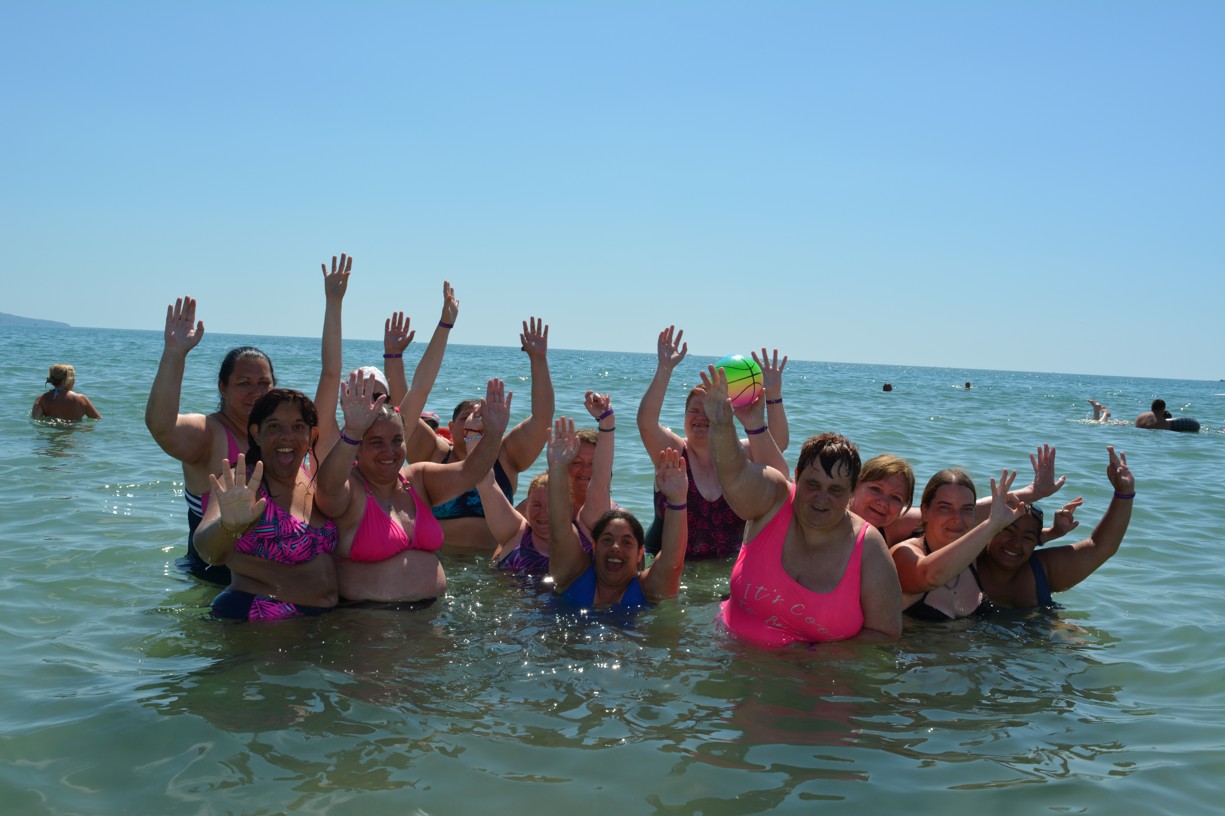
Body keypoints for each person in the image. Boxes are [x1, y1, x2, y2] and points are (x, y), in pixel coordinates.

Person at [700, 366, 901, 645]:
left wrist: (810, 658)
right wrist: (722, 425)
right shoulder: (774, 500)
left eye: (835, 490)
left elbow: (885, 634)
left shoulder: (868, 547)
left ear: (852, 491)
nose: (822, 498)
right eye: (813, 484)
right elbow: (734, 475)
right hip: (727, 652)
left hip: (809, 670)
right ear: (796, 474)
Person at [314, 372, 511, 606]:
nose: (389, 451)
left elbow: (470, 473)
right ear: (358, 447)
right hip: (367, 618)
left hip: (431, 616)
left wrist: (494, 433)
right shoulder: (349, 489)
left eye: (397, 441)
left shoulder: (418, 479)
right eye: (377, 442)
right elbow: (326, 487)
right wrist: (352, 432)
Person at [637, 326, 791, 558]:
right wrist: (664, 368)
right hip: (668, 567)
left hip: (727, 569)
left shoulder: (741, 454)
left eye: (708, 410)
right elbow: (646, 422)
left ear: (723, 415)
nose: (701, 417)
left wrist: (774, 395)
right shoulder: (673, 452)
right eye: (694, 410)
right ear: (684, 417)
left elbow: (778, 446)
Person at [405, 317, 554, 552]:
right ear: (451, 427)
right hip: (440, 561)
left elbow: (542, 419)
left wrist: (539, 359)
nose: (475, 423)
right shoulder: (434, 453)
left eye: (484, 418)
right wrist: (393, 357)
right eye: (467, 417)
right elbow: (405, 413)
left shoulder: (505, 456)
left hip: (491, 565)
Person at [195, 389, 339, 621]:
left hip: (311, 622)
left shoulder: (309, 477)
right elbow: (206, 549)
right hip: (256, 619)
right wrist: (228, 527)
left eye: (298, 426)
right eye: (274, 426)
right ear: (256, 434)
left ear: (312, 435)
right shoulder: (243, 484)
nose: (287, 436)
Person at [548, 418, 689, 608]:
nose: (615, 547)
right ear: (594, 546)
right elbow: (559, 530)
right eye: (607, 540)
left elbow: (672, 562)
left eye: (627, 542)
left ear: (640, 553)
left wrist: (677, 500)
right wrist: (558, 468)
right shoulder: (571, 576)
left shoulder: (650, 590)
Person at [976, 446, 1134, 608]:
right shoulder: (967, 562)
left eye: (1028, 537)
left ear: (1036, 542)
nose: (1016, 543)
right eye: (1009, 530)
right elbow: (965, 516)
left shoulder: (1042, 570)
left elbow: (1100, 548)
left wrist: (1125, 493)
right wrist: (1033, 492)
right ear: (990, 529)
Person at [481, 392, 615, 575]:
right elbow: (504, 542)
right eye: (576, 462)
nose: (585, 469)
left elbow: (600, 482)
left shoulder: (605, 517)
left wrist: (607, 422)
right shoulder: (535, 504)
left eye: (593, 464)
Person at [855, 445, 1066, 547]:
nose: (883, 503)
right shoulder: (835, 516)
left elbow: (963, 514)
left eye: (896, 498)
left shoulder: (890, 527)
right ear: (855, 485)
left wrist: (1033, 492)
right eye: (875, 489)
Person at [890, 468, 1027, 621]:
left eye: (966, 509)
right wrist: (992, 524)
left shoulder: (976, 554)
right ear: (925, 511)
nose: (957, 518)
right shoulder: (903, 553)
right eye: (945, 508)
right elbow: (930, 576)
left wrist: (1049, 532)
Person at [31, 364, 101, 420]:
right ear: (69, 380)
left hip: (52, 433)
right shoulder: (81, 399)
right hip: (74, 432)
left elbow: (36, 421)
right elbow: (97, 419)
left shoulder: (41, 399)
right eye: (73, 378)